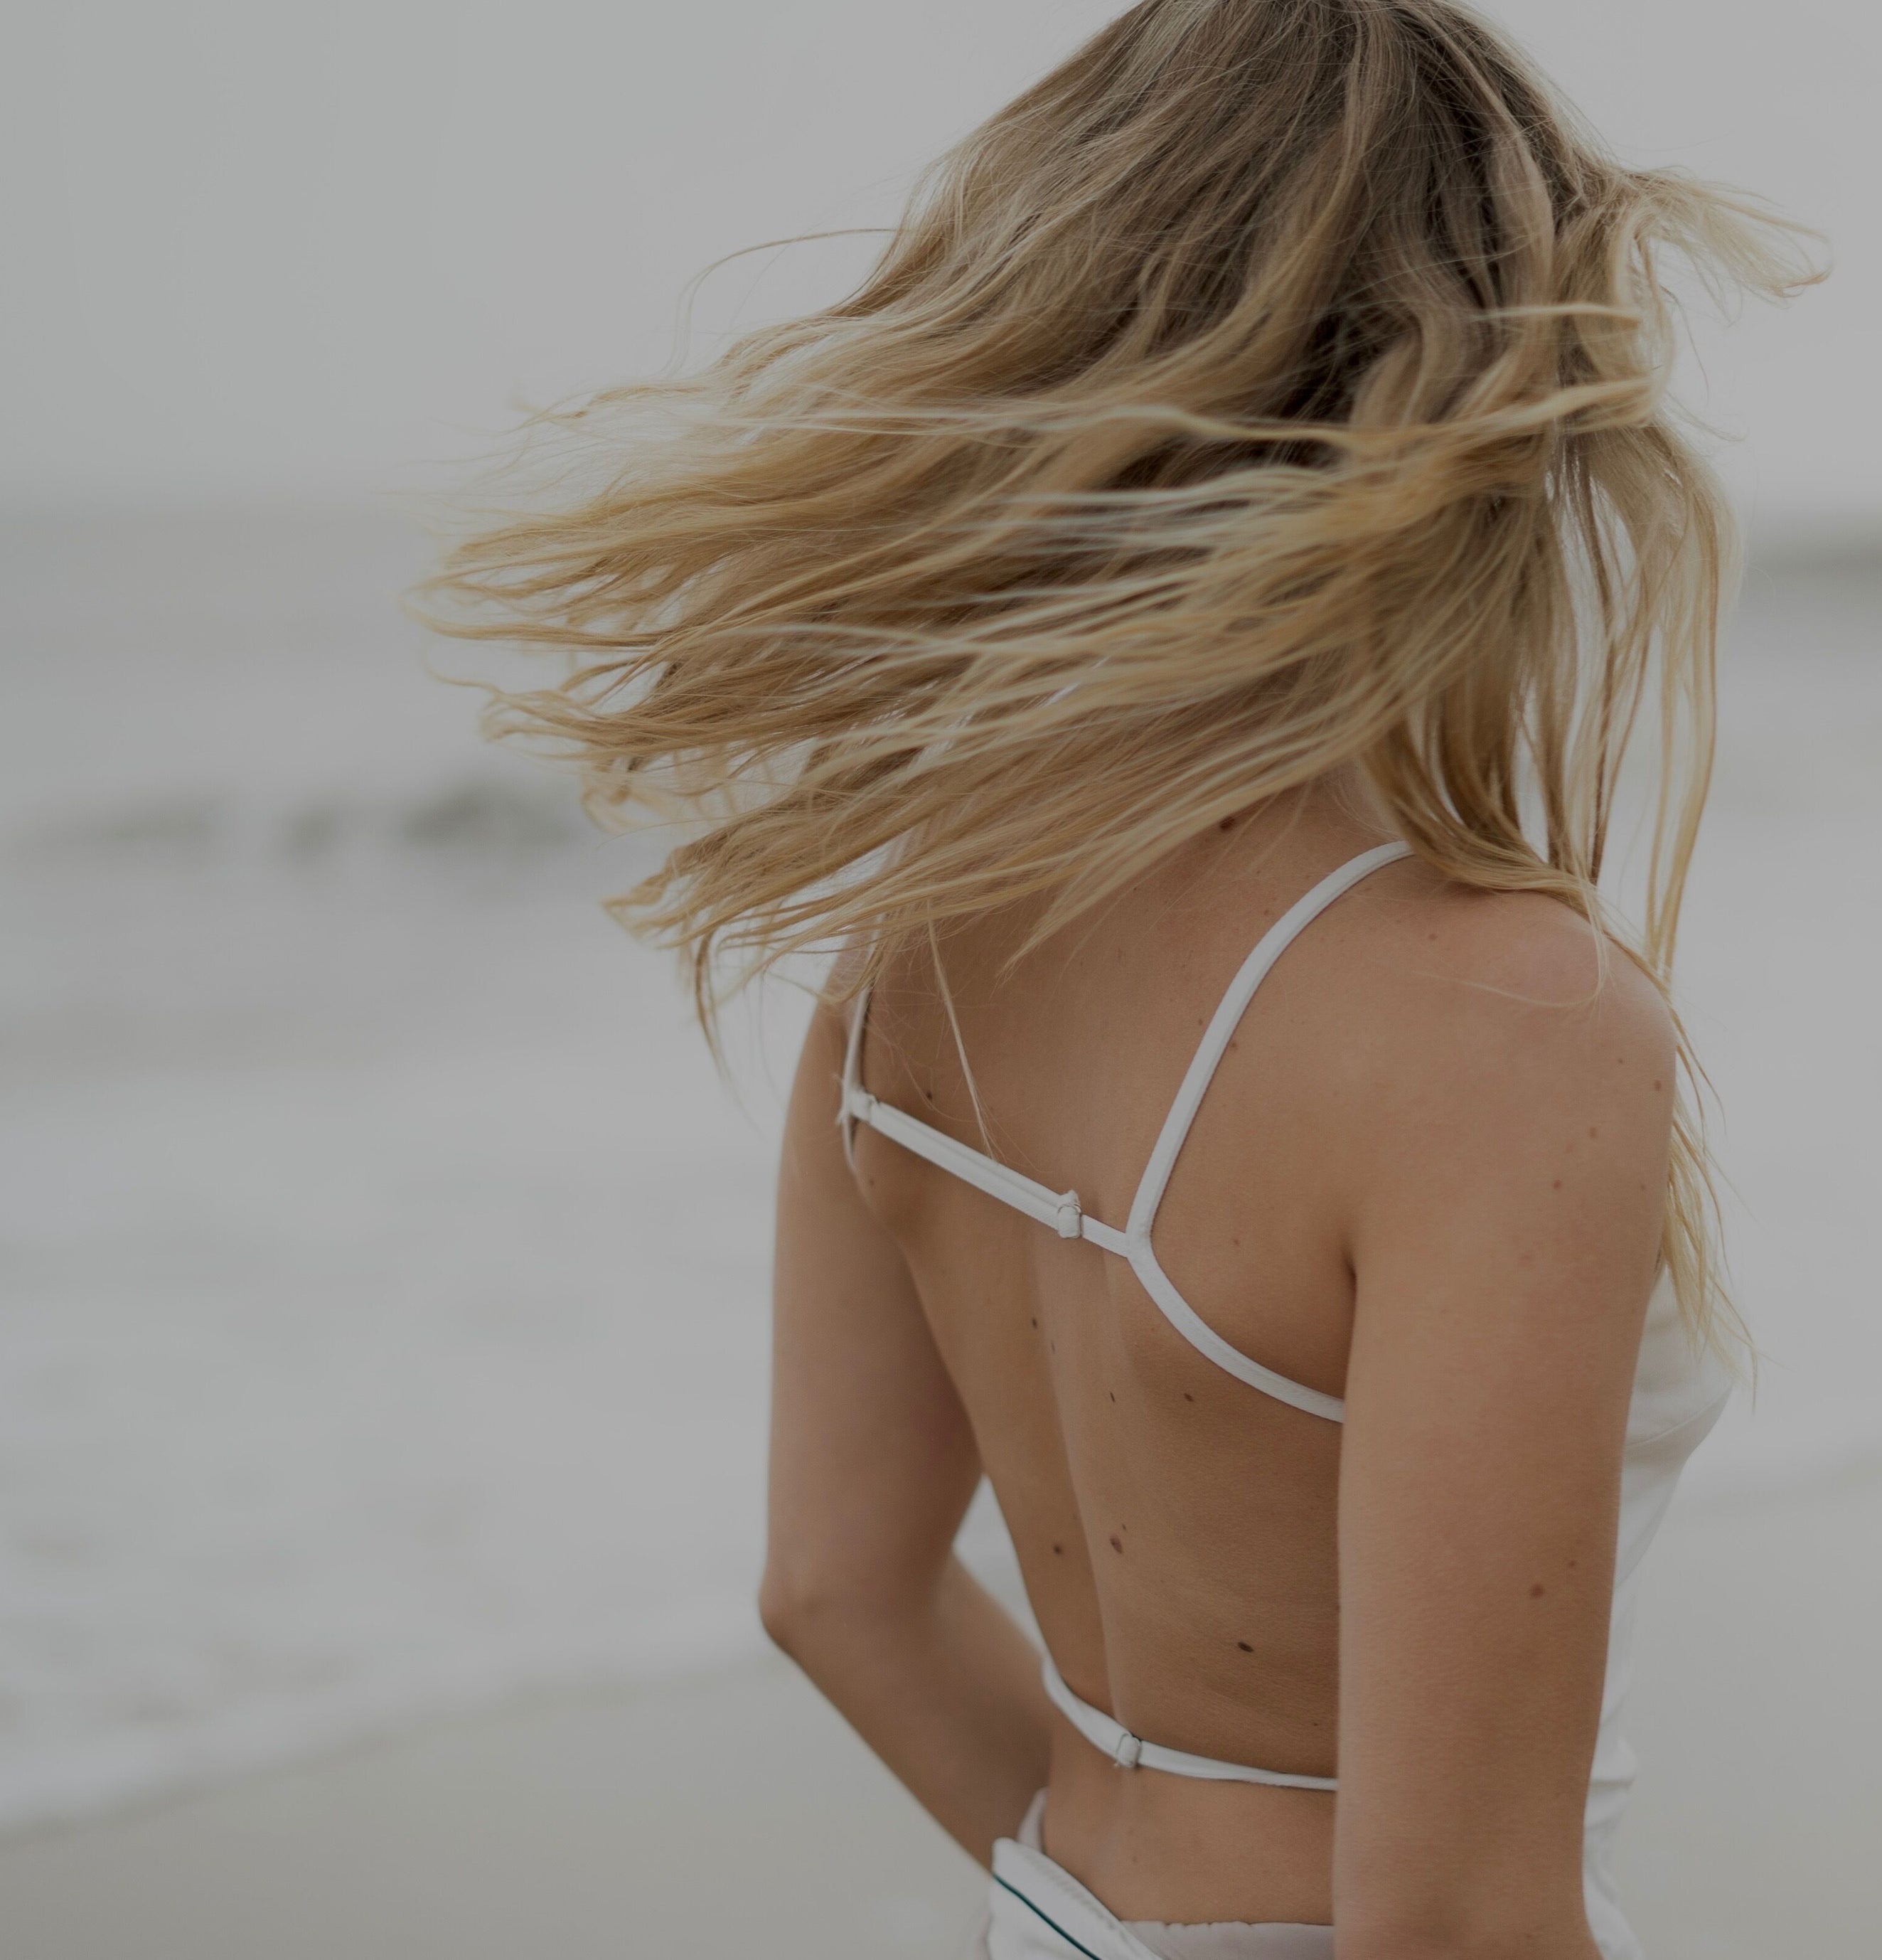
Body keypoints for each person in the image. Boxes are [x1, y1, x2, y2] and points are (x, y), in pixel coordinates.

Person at [427, 4, 1807, 1954]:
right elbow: (1454, 1919)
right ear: (1482, 403)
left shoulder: (920, 938)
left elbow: (838, 1587)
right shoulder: (1501, 1022)